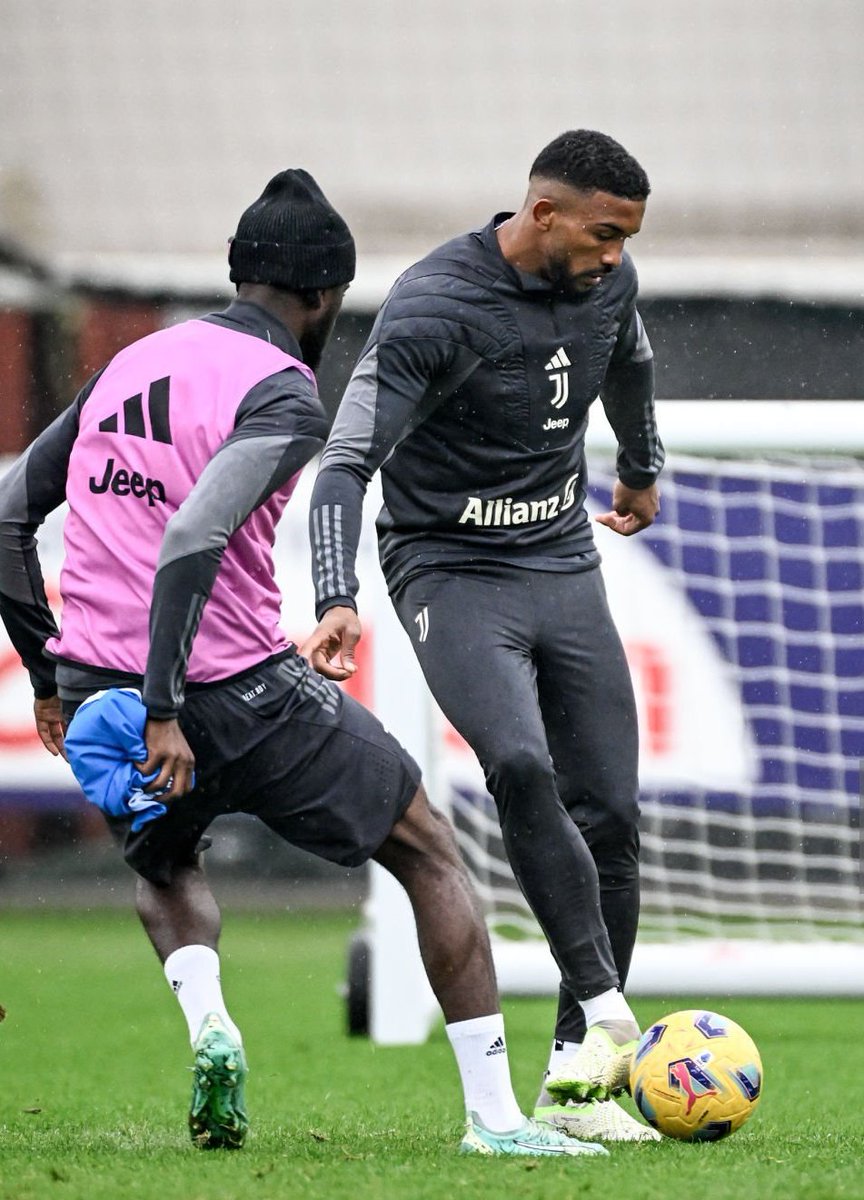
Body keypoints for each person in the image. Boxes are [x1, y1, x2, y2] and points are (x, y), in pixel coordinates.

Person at [0, 170, 605, 1160]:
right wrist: (164, 708)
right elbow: (196, 534)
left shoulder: (131, 363)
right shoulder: (282, 392)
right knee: (426, 849)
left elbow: (9, 517)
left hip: (101, 690)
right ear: (324, 298)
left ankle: (211, 1028)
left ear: (239, 273)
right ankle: (497, 1119)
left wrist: (46, 674)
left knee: (165, 859)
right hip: (232, 692)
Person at [304, 130, 665, 1143]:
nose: (614, 256)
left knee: (614, 815)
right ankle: (608, 1009)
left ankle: (579, 1086)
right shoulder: (435, 305)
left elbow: (629, 362)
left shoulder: (609, 282)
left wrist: (640, 464)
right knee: (516, 761)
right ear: (541, 212)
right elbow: (343, 463)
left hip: (561, 562)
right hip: (450, 570)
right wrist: (337, 594)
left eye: (628, 239)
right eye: (602, 233)